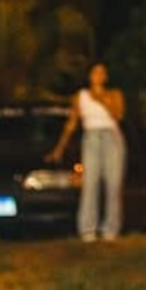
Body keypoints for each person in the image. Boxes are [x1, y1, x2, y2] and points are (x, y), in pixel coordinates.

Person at [49, 62, 128, 242]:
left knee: (113, 185)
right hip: (91, 137)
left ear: (106, 77)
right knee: (89, 183)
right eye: (95, 72)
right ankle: (87, 229)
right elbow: (71, 124)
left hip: (111, 138)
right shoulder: (80, 96)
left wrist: (101, 99)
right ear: (89, 75)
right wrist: (59, 148)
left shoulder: (115, 94)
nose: (98, 76)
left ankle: (111, 229)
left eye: (102, 72)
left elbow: (118, 115)